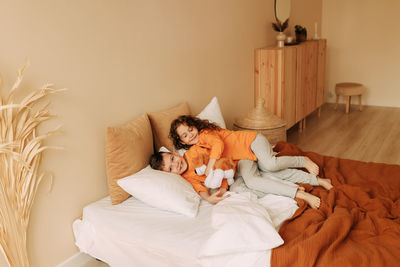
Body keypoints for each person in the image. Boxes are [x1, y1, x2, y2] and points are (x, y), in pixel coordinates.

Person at [167, 115, 333, 209]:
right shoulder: (193, 153)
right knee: (246, 184)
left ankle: (302, 160)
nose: (190, 135)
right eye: (185, 135)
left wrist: (211, 163)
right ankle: (304, 188)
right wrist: (210, 197)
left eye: (190, 129)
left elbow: (218, 145)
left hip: (251, 142)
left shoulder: (204, 135)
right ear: (182, 142)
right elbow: (202, 182)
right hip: (242, 159)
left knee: (270, 165)